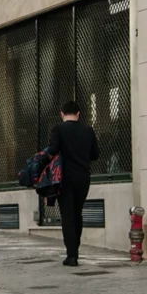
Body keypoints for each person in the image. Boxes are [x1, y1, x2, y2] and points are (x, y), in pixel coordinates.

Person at [46, 100, 100, 267]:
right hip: (83, 177)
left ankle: (72, 255)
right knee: (77, 213)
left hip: (64, 178)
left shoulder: (58, 129)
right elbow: (95, 154)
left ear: (61, 114)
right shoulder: (88, 130)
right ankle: (75, 250)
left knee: (67, 215)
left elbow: (52, 150)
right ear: (78, 114)